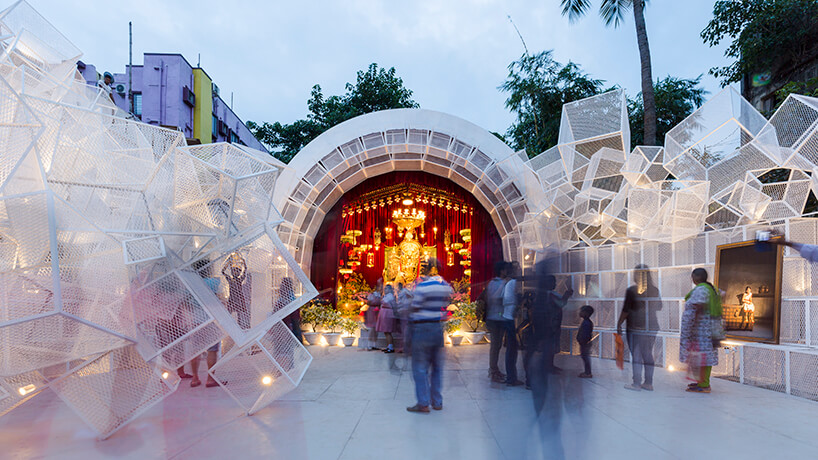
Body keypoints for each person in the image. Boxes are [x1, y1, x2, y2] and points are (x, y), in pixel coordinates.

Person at [406, 258, 452, 413]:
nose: (422, 268)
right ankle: (437, 401)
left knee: (420, 367)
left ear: (430, 268)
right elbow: (447, 300)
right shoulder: (444, 286)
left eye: (424, 266)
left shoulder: (422, 286)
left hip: (422, 328)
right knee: (437, 367)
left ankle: (423, 403)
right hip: (436, 328)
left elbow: (415, 307)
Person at [617, 264, 659, 391]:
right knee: (647, 354)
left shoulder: (631, 291)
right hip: (651, 326)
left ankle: (636, 383)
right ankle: (648, 383)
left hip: (635, 327)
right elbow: (659, 306)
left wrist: (619, 324)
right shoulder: (654, 290)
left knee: (636, 355)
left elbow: (626, 310)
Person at [680, 268, 720, 393]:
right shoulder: (710, 288)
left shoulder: (702, 289)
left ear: (695, 277)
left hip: (702, 329)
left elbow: (699, 307)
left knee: (703, 355)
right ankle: (701, 381)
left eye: (692, 277)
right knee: (703, 355)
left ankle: (704, 385)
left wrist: (694, 326)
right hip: (707, 328)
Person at [484, 261, 509, 383]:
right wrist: (504, 284)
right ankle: (493, 370)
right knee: (495, 346)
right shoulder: (494, 283)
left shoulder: (500, 282)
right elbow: (494, 298)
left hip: (500, 317)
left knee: (498, 345)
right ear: (501, 271)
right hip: (494, 318)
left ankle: (495, 369)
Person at [501, 261, 523, 386]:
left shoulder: (509, 283)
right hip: (509, 319)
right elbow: (511, 300)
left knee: (511, 349)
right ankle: (511, 378)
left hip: (507, 317)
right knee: (512, 350)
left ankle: (511, 376)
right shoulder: (513, 283)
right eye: (518, 268)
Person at [222, 256, 250, 330]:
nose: (236, 272)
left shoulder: (239, 279)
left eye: (237, 271)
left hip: (239, 298)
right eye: (234, 271)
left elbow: (245, 271)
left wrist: (244, 262)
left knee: (239, 314)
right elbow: (223, 272)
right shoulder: (230, 279)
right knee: (229, 312)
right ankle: (228, 327)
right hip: (232, 297)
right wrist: (228, 263)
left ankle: (239, 327)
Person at [364, 278, 383, 350]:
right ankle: (369, 345)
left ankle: (374, 345)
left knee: (376, 329)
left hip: (377, 312)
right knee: (372, 328)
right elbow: (368, 302)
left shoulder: (380, 295)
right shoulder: (373, 295)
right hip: (372, 312)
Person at [377, 284, 397, 353]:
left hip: (388, 314)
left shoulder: (390, 296)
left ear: (389, 289)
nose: (385, 290)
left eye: (386, 289)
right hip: (384, 314)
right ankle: (388, 346)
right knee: (386, 331)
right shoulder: (386, 296)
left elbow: (393, 306)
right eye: (384, 289)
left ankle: (391, 347)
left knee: (388, 331)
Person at [577, 305, 594, 378]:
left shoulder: (586, 323)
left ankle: (588, 373)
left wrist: (583, 341)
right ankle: (587, 372)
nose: (580, 312)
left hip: (584, 343)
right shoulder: (586, 322)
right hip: (584, 343)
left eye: (582, 311)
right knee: (584, 357)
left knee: (585, 357)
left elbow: (586, 334)